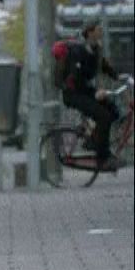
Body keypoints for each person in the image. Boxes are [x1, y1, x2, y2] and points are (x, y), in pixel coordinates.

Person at [54, 20, 126, 168]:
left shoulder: (95, 48)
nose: (101, 31)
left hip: (84, 90)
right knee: (103, 116)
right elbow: (76, 76)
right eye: (98, 29)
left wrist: (118, 77)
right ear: (90, 32)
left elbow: (103, 65)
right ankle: (103, 158)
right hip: (73, 93)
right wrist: (96, 92)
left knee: (113, 110)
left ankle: (94, 141)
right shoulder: (78, 50)